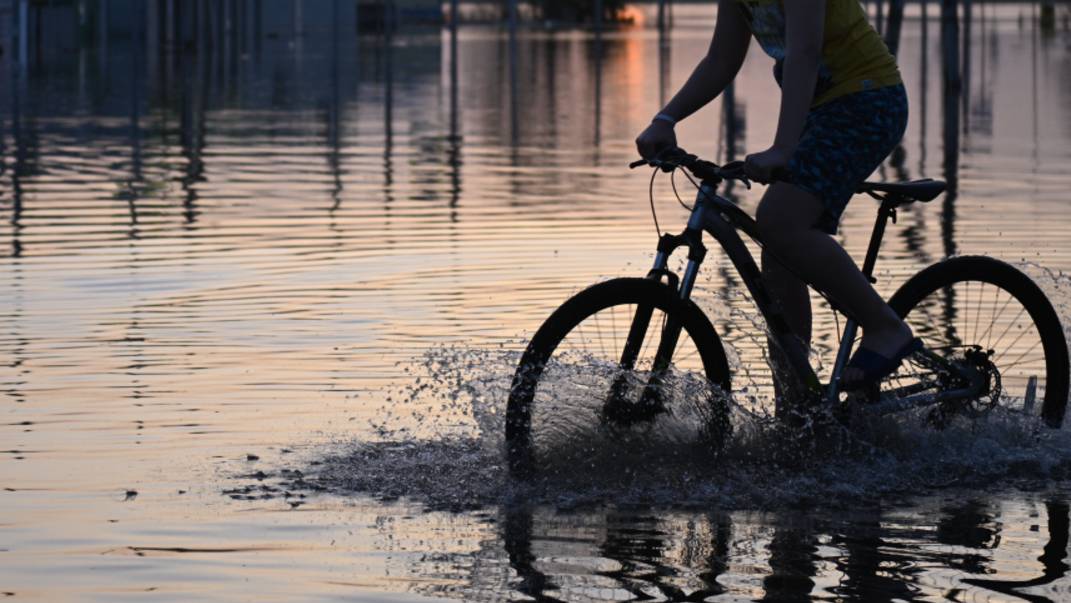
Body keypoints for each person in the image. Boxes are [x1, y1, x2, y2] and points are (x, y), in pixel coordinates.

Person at [635, 0, 918, 394]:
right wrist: (665, 119)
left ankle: (885, 326)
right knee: (778, 250)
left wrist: (783, 148)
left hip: (868, 100)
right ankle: (796, 408)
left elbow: (805, 50)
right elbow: (720, 59)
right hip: (821, 110)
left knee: (781, 220)